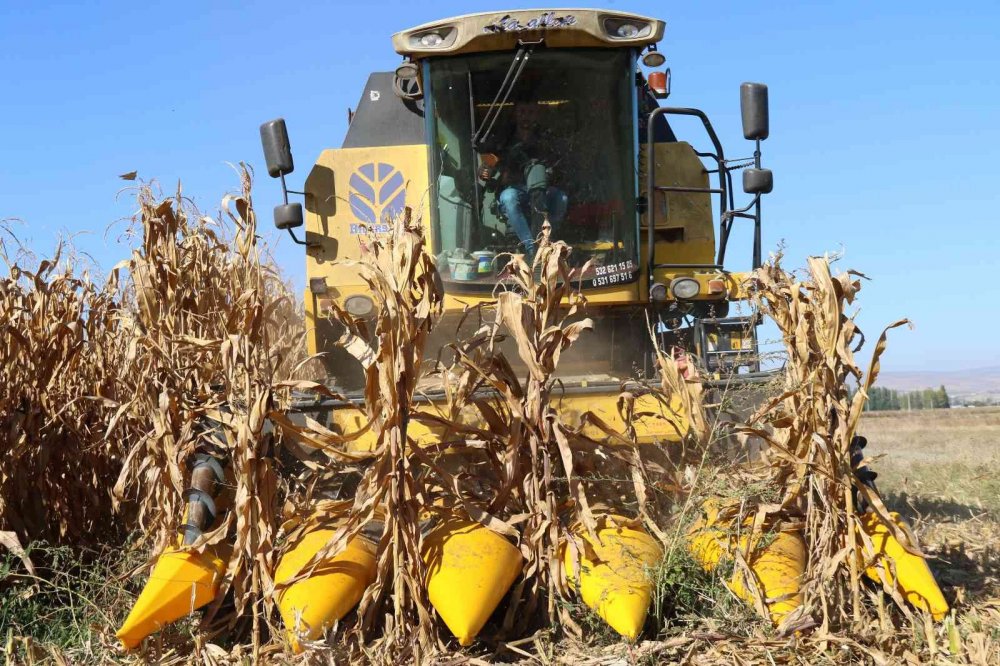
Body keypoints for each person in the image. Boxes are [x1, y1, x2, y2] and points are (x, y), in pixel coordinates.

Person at [479, 103, 568, 255]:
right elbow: (487, 164)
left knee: (562, 198)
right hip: (514, 188)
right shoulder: (504, 139)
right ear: (515, 114)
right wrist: (485, 171)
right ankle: (532, 249)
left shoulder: (545, 139)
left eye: (531, 112)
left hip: (542, 189)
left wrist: (549, 174)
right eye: (522, 111)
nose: (526, 116)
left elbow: (557, 165)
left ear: (537, 115)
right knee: (508, 198)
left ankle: (547, 240)